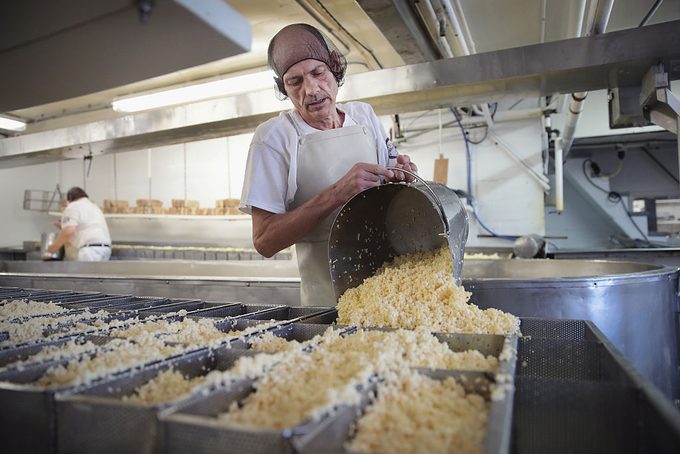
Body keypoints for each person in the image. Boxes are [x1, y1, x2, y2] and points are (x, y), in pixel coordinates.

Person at [240, 23, 417, 306]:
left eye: (317, 73)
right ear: (283, 89)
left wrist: (400, 173)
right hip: (327, 303)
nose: (310, 89)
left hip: (391, 295)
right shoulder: (274, 138)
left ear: (334, 67)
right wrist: (337, 193)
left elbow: (392, 168)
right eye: (294, 82)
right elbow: (264, 241)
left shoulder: (365, 116)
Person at [47, 187, 112, 261]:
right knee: (96, 272)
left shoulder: (73, 206)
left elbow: (68, 231)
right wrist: (63, 226)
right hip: (105, 251)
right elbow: (85, 227)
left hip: (89, 252)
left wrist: (53, 248)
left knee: (81, 272)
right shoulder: (95, 207)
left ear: (69, 199)